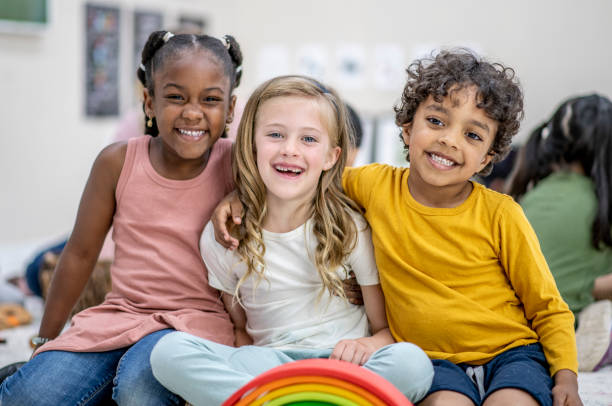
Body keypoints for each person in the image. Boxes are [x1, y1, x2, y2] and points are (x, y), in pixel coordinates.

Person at [212, 50, 582, 406]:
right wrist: (241, 197)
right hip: (431, 360)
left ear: (487, 157)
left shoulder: (502, 214)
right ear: (407, 129)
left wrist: (566, 377)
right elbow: (301, 182)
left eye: (472, 135)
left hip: (511, 353)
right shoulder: (372, 184)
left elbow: (548, 307)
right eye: (435, 121)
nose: (449, 140)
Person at [149, 75, 434, 406]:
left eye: (309, 139)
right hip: (269, 365)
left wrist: (368, 346)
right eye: (275, 134)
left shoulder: (351, 228)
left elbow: (383, 328)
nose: (289, 149)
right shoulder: (224, 236)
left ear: (331, 156)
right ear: (251, 144)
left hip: (342, 364)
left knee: (413, 363)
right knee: (168, 353)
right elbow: (240, 330)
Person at [0, 30, 243, 405]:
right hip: (119, 315)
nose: (192, 112)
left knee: (136, 391)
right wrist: (45, 341)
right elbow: (79, 254)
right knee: (27, 396)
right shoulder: (116, 162)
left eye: (210, 100)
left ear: (230, 109)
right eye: (175, 97)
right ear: (149, 101)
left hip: (193, 327)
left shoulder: (238, 164)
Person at [508, 94, 612, 373]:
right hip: (564, 319)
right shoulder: (603, 202)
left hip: (521, 321)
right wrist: (587, 286)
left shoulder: (531, 194)